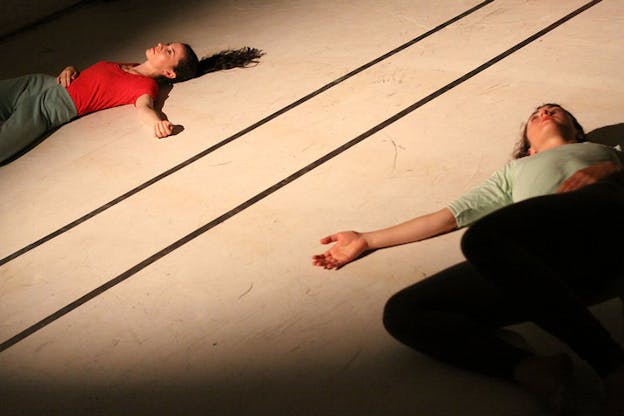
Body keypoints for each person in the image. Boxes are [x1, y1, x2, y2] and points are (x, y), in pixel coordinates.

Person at [313, 104, 624, 414]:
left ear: (578, 131)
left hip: (602, 223)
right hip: (547, 267)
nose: (544, 114)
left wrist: (611, 169)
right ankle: (530, 368)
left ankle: (612, 367)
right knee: (404, 311)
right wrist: (367, 239)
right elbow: (445, 218)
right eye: (535, 114)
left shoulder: (605, 151)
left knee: (486, 237)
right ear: (528, 148)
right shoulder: (513, 172)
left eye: (555, 111)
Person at [0, 43, 264, 164]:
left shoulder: (144, 86)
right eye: (168, 44)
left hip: (45, 110)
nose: (162, 46)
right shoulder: (128, 65)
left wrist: (158, 125)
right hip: (39, 85)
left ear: (170, 73)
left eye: (169, 52)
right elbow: (93, 76)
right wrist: (69, 68)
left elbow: (145, 107)